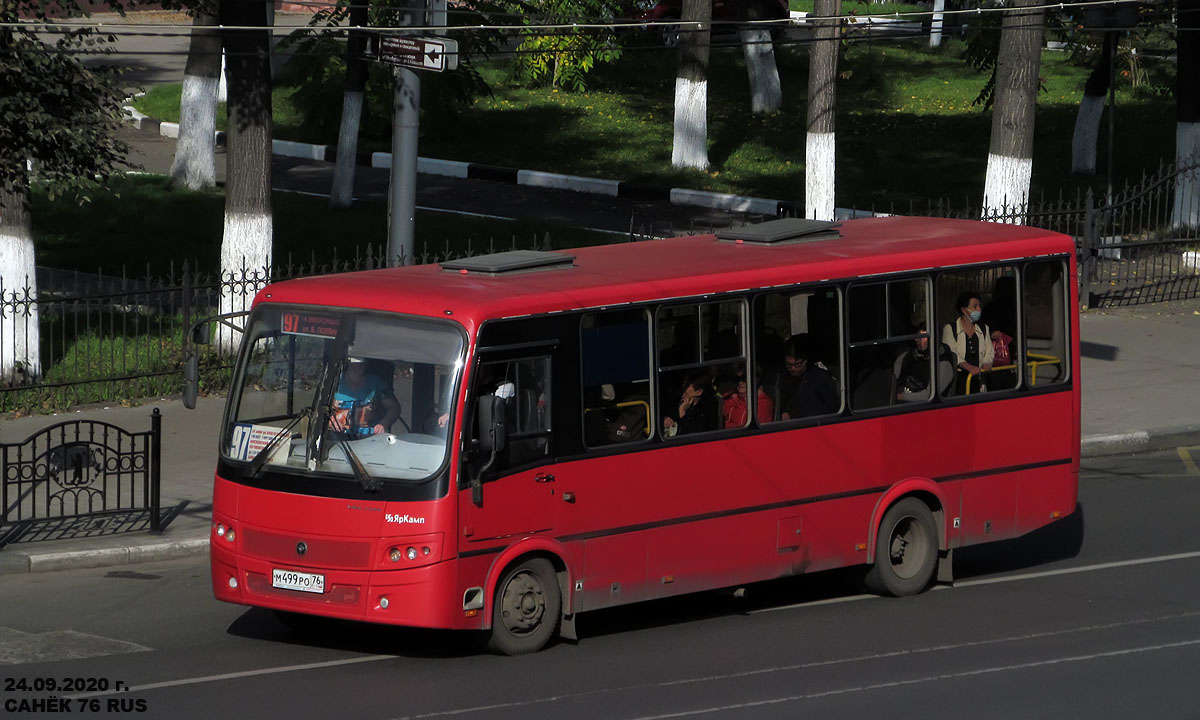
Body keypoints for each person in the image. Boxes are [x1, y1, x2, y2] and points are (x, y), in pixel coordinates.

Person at [329, 357, 402, 438]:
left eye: (364, 363)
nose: (361, 366)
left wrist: (383, 424)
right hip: (339, 440)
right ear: (348, 363)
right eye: (357, 363)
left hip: (370, 440)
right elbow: (320, 410)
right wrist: (330, 421)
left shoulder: (375, 383)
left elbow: (394, 407)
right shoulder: (334, 383)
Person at [941, 290, 994, 395]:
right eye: (975, 307)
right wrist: (969, 367)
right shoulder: (950, 329)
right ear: (964, 310)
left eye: (979, 306)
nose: (979, 309)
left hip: (978, 382)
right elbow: (952, 353)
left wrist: (987, 363)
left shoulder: (984, 329)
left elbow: (990, 352)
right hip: (958, 383)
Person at [776, 336, 839, 420]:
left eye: (797, 364)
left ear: (805, 361)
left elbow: (833, 407)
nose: (793, 369)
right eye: (789, 365)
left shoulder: (820, 378)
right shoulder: (782, 378)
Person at [663, 370, 718, 436]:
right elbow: (671, 414)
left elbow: (691, 435)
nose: (683, 396)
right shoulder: (686, 402)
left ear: (698, 392)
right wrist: (666, 419)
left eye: (686, 393)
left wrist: (682, 412)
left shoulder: (709, 407)